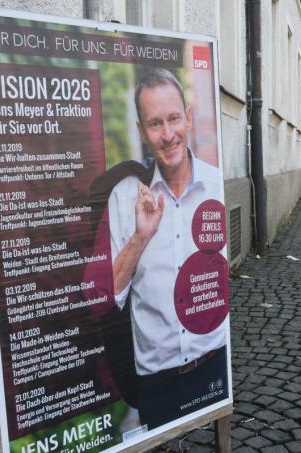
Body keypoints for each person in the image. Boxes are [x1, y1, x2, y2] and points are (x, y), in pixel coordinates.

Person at [99, 68, 228, 429]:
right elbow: (109, 296)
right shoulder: (124, 198)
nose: (168, 134)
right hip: (157, 379)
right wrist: (140, 238)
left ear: (188, 118)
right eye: (155, 123)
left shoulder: (216, 185)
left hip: (216, 360)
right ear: (141, 131)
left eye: (174, 118)